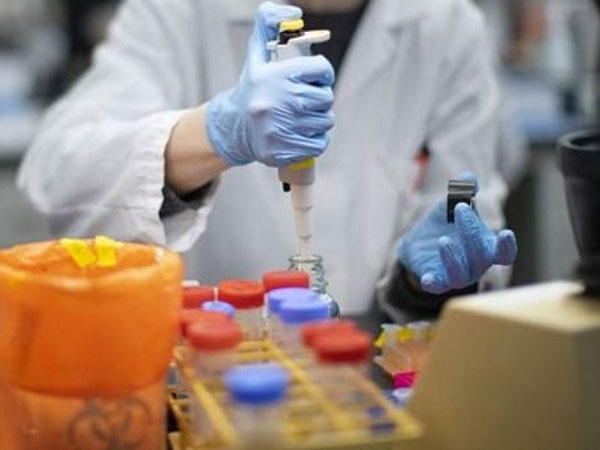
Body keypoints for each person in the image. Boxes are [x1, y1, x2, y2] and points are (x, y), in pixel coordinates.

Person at [18, 0, 517, 319]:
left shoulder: (449, 26)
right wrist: (212, 134)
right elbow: (60, 175)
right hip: (208, 373)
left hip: (375, 375)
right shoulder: (178, 12)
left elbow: (464, 210)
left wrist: (421, 285)